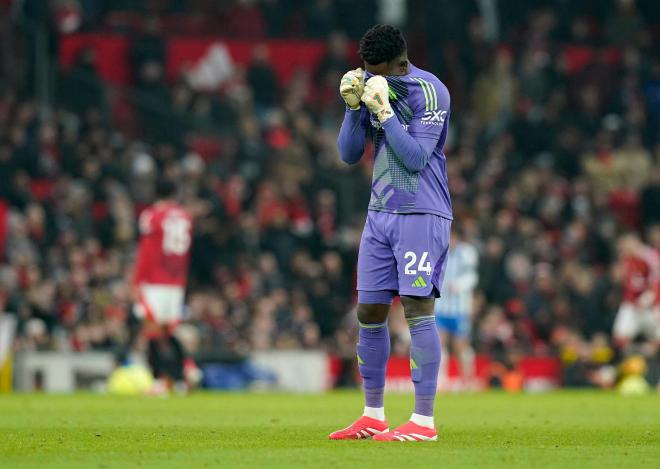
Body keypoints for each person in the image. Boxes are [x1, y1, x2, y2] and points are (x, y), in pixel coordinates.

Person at [329, 24, 451, 442]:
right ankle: (373, 414)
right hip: (379, 214)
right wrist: (352, 108)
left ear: (401, 63)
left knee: (417, 307)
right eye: (368, 72)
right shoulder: (374, 84)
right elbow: (348, 155)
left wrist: (382, 112)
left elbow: (416, 159)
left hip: (422, 211)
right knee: (369, 312)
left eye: (383, 73)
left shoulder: (429, 91)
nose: (374, 80)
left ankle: (423, 422)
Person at [131, 179, 198, 391]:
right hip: (176, 281)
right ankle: (186, 372)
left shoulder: (152, 216)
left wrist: (137, 281)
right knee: (168, 332)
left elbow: (147, 250)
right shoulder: (185, 217)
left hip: (155, 281)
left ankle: (160, 380)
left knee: (151, 331)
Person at [434, 229, 478, 389]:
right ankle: (441, 380)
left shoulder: (467, 253)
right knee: (440, 343)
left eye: (452, 238)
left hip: (460, 309)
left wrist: (459, 285)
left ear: (458, 238)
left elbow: (472, 276)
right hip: (441, 308)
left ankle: (468, 379)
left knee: (461, 345)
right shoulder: (438, 252)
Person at [612, 232, 660, 351]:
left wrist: (647, 299)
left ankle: (650, 353)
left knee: (657, 335)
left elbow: (656, 281)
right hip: (632, 302)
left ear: (634, 242)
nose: (623, 249)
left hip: (650, 302)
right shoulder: (626, 258)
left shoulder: (649, 256)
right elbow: (625, 280)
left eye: (624, 245)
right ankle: (635, 354)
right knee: (619, 335)